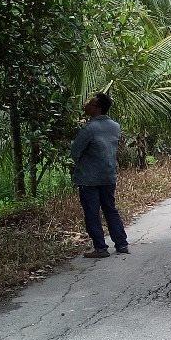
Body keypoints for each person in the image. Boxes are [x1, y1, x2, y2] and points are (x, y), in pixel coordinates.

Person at [71, 93, 129, 258]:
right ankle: (122, 244)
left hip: (89, 178)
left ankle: (100, 248)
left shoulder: (89, 128)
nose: (86, 105)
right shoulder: (115, 126)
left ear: (97, 108)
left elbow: (75, 151)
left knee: (92, 213)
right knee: (110, 209)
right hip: (108, 175)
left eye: (90, 103)